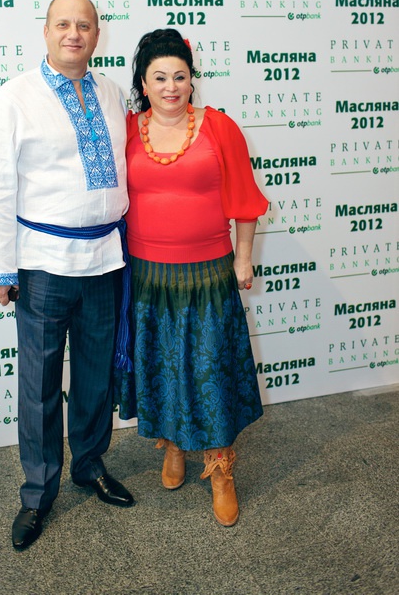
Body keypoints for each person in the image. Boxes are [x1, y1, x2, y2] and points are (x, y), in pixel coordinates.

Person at [0, 0, 134, 552]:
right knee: (40, 384)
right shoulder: (14, 97)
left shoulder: (111, 92)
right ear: (45, 32)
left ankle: (89, 465)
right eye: (63, 24)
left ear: (97, 35)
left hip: (105, 261)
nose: (74, 33)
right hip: (42, 264)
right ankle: (37, 494)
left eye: (84, 25)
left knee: (94, 376)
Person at [124, 28, 268, 526]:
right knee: (160, 366)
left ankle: (221, 469)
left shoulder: (219, 127)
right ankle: (173, 445)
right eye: (160, 77)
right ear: (143, 83)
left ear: (192, 79)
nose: (171, 87)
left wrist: (243, 258)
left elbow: (246, 200)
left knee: (211, 373)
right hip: (147, 275)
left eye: (180, 76)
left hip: (207, 273)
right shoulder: (128, 129)